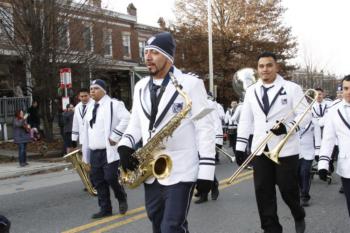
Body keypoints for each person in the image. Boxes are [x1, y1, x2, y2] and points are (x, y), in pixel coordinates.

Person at [118, 32, 215, 233]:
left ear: (169, 57)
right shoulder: (140, 86)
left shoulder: (191, 84)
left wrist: (206, 171)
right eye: (146, 52)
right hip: (151, 170)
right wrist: (125, 146)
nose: (148, 57)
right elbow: (135, 123)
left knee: (171, 227)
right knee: (157, 224)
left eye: (155, 52)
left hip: (181, 168)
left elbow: (204, 128)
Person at [235, 52, 309, 233]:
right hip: (260, 148)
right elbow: (246, 120)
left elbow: (305, 115)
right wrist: (239, 146)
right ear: (257, 69)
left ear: (276, 67)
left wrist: (288, 127)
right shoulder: (251, 90)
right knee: (262, 191)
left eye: (269, 65)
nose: (265, 69)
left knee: (287, 189)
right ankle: (271, 229)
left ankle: (298, 213)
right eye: (261, 66)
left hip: (285, 148)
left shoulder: (292, 88)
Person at [80, 79, 130, 219]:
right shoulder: (89, 108)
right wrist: (86, 156)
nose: (92, 91)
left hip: (109, 151)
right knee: (98, 181)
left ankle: (121, 197)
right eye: (91, 89)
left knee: (110, 177)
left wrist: (116, 136)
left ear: (103, 90)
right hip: (94, 151)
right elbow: (86, 132)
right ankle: (105, 208)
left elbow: (127, 118)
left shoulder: (114, 104)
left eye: (95, 88)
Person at [318, 75, 350, 217]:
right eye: (346, 88)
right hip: (347, 166)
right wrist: (323, 164)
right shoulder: (333, 110)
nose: (348, 92)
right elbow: (328, 139)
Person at [298, 117, 320, 207]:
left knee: (305, 173)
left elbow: (318, 137)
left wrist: (318, 152)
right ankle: (301, 191)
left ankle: (305, 196)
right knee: (298, 174)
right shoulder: (295, 119)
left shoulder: (314, 121)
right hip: (296, 151)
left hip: (309, 152)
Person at [72, 88, 93, 163]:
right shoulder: (77, 107)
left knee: (94, 160)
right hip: (83, 138)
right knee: (86, 160)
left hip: (94, 137)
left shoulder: (95, 104)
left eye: (85, 96)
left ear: (89, 95)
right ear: (79, 97)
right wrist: (74, 139)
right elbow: (75, 123)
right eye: (82, 96)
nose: (83, 98)